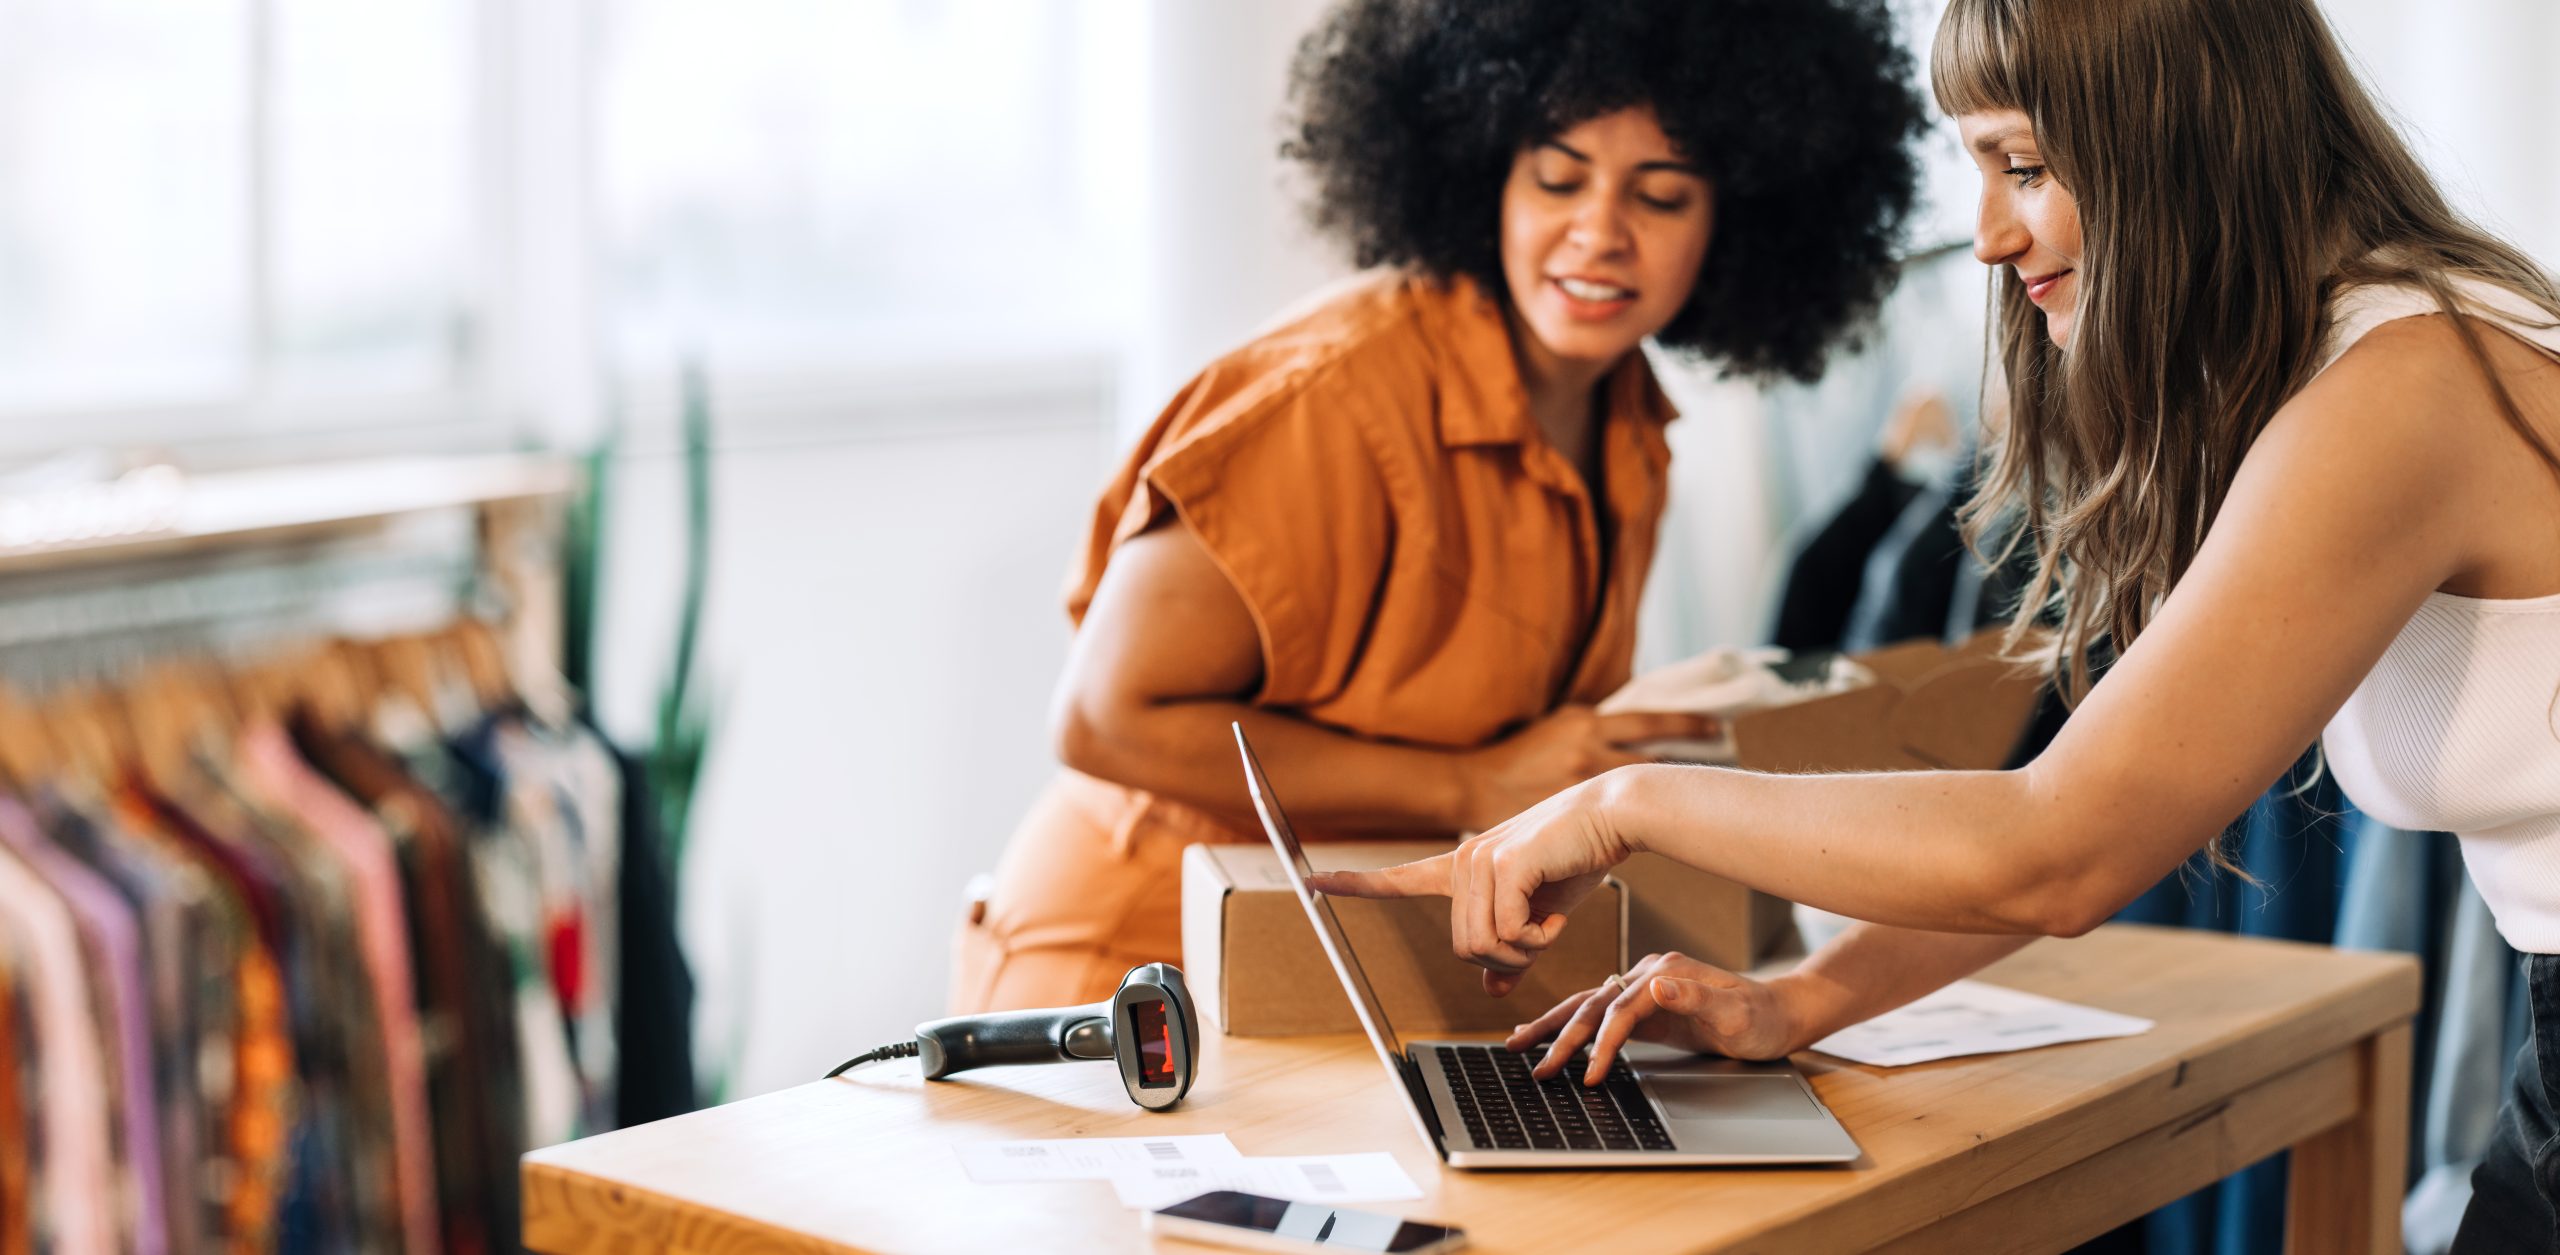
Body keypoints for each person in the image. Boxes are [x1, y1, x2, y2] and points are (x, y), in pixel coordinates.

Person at [1312, 0, 2560, 1244]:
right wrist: (1797, 1000)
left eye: (2022, 164)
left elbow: (2062, 849)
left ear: (2179, 139)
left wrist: (1621, 803)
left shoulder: (2402, 390)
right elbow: (2086, 807)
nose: (1984, 236)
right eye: (1975, 168)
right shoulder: (2370, 356)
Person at [948, 0, 1925, 1014]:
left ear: (1737, 220)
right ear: (1484, 174)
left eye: (1663, 195)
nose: (1599, 233)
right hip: (1131, 975)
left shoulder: (1629, 421)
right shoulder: (1329, 397)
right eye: (1556, 176)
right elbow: (1105, 718)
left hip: (1338, 982)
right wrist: (1472, 783)